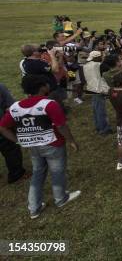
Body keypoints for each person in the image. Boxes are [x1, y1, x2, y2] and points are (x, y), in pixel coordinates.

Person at [0, 75, 81, 219]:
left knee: (38, 172)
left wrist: (18, 140)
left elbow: (3, 127)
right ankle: (61, 198)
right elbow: (61, 126)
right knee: (57, 171)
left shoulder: (15, 107)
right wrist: (72, 141)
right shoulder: (49, 104)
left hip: (33, 146)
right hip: (53, 144)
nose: (49, 85)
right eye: (46, 83)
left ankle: (34, 207)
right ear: (42, 86)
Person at [0, 83, 27, 184]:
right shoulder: (0, 87)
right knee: (10, 149)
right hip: (2, 126)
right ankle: (17, 174)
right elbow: (11, 106)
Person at [82, 50, 112, 135]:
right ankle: (104, 129)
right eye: (100, 56)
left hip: (91, 89)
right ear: (96, 57)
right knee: (101, 110)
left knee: (95, 109)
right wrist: (105, 58)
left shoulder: (86, 65)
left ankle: (98, 126)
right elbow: (108, 67)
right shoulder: (98, 65)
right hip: (98, 89)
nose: (101, 58)